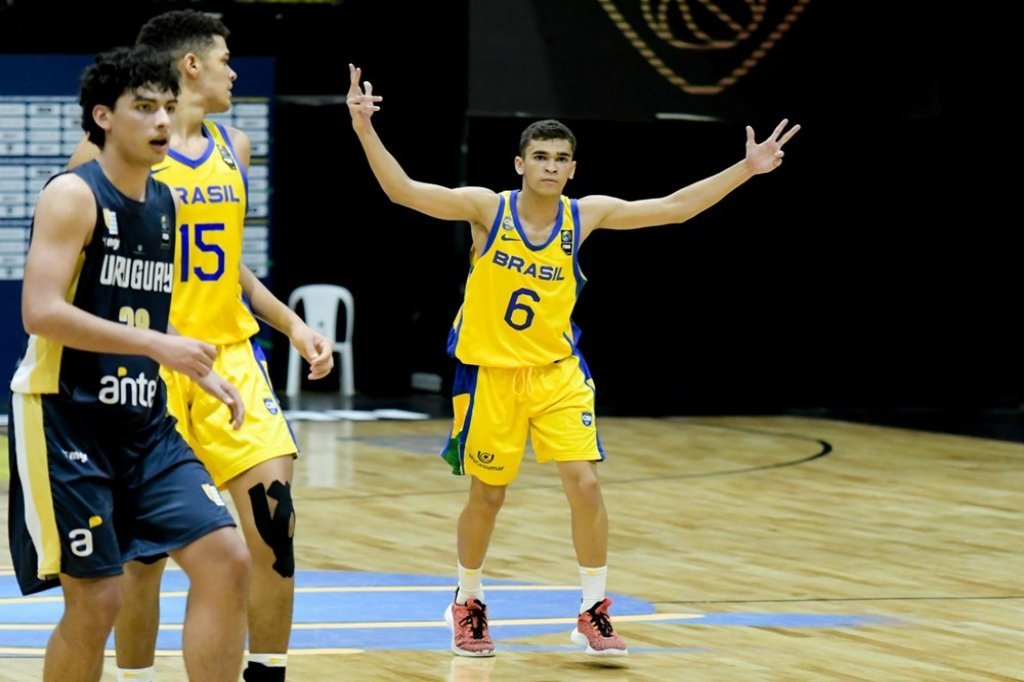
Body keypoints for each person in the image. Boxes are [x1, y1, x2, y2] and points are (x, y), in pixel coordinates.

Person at [346, 63, 800, 658]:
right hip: (489, 376)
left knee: (585, 484)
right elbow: (404, 191)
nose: (551, 166)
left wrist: (745, 169)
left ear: (573, 168)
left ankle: (592, 609)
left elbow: (674, 208)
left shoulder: (584, 215)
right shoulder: (488, 209)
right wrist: (362, 127)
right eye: (541, 157)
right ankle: (469, 600)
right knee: (488, 496)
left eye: (561, 158)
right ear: (520, 164)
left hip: (557, 373)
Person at [68, 11, 334, 682]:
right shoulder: (104, 160)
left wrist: (291, 324)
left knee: (276, 528)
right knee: (141, 556)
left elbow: (230, 266)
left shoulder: (235, 146)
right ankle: (135, 676)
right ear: (191, 65)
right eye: (223, 58)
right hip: (148, 370)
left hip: (232, 360)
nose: (232, 71)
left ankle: (266, 672)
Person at [6, 45, 251, 682]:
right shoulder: (72, 195)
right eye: (144, 107)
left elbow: (138, 312)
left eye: (169, 107)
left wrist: (198, 366)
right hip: (65, 417)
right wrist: (155, 346)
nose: (163, 121)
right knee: (98, 602)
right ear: (104, 117)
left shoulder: (165, 205)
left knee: (227, 558)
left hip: (143, 419)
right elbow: (40, 311)